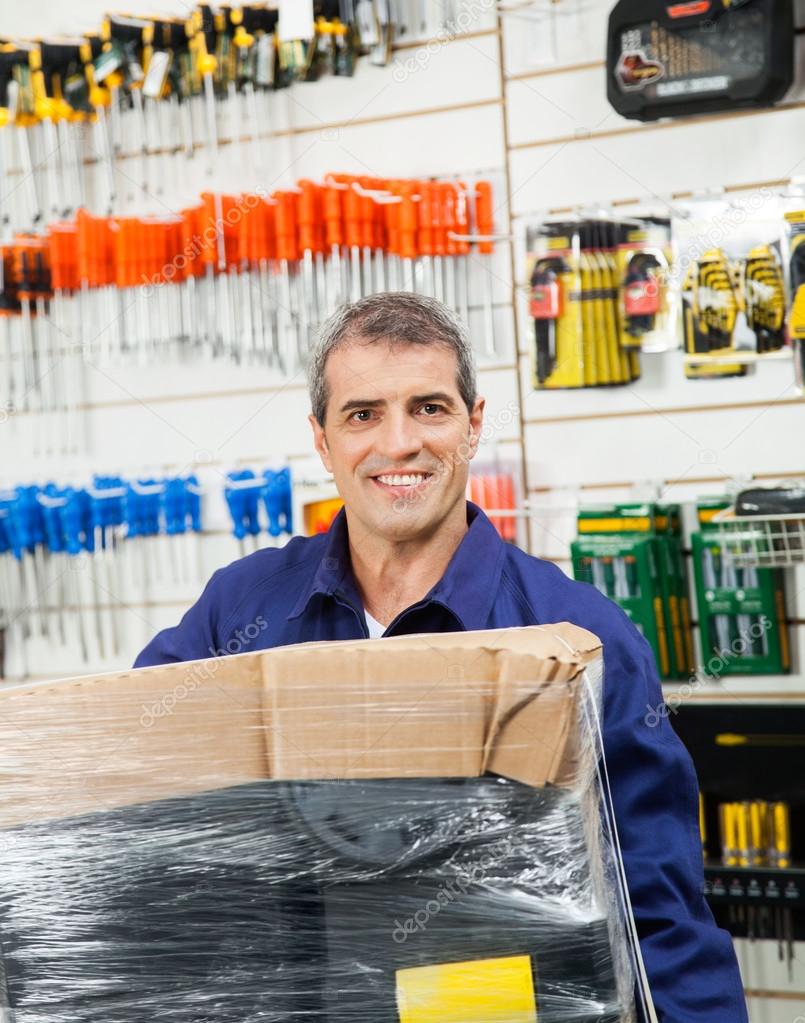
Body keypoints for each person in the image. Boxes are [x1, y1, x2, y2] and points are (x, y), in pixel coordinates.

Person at [135, 292, 747, 1022]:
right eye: (362, 414)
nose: (399, 444)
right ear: (322, 441)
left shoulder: (578, 634)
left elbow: (657, 908)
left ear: (472, 425)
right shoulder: (240, 611)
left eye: (429, 408)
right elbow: (133, 806)